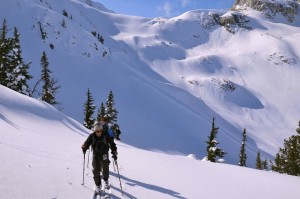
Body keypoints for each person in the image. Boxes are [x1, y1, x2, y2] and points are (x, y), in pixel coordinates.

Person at [81, 123, 118, 193]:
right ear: (95, 131)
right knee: (96, 170)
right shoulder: (91, 136)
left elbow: (112, 144)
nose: (99, 132)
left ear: (102, 130)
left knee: (105, 167)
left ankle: (106, 180)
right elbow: (87, 143)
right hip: (96, 155)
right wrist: (84, 147)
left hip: (104, 154)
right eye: (97, 131)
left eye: (100, 130)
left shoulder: (106, 136)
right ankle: (98, 185)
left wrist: (114, 151)